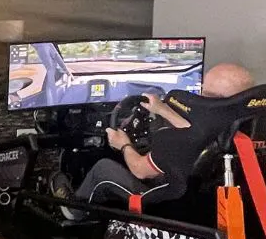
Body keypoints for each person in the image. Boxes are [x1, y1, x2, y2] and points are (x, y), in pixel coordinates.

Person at [54, 63, 255, 219]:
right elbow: (196, 130)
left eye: (204, 92)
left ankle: (74, 211)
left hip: (166, 205)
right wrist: (161, 109)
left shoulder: (180, 141)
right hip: (206, 206)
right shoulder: (244, 130)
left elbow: (140, 170)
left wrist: (123, 144)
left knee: (103, 167)